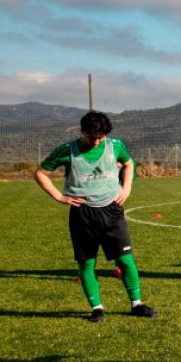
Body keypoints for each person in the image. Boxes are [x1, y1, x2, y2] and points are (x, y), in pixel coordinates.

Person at [34, 111, 157, 322]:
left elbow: (129, 164)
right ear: (82, 131)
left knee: (126, 260)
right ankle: (97, 308)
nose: (97, 141)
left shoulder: (115, 145)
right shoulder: (67, 150)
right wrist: (59, 197)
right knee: (87, 263)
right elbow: (40, 173)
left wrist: (126, 188)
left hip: (112, 210)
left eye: (101, 137)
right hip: (83, 213)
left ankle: (136, 304)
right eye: (92, 137)